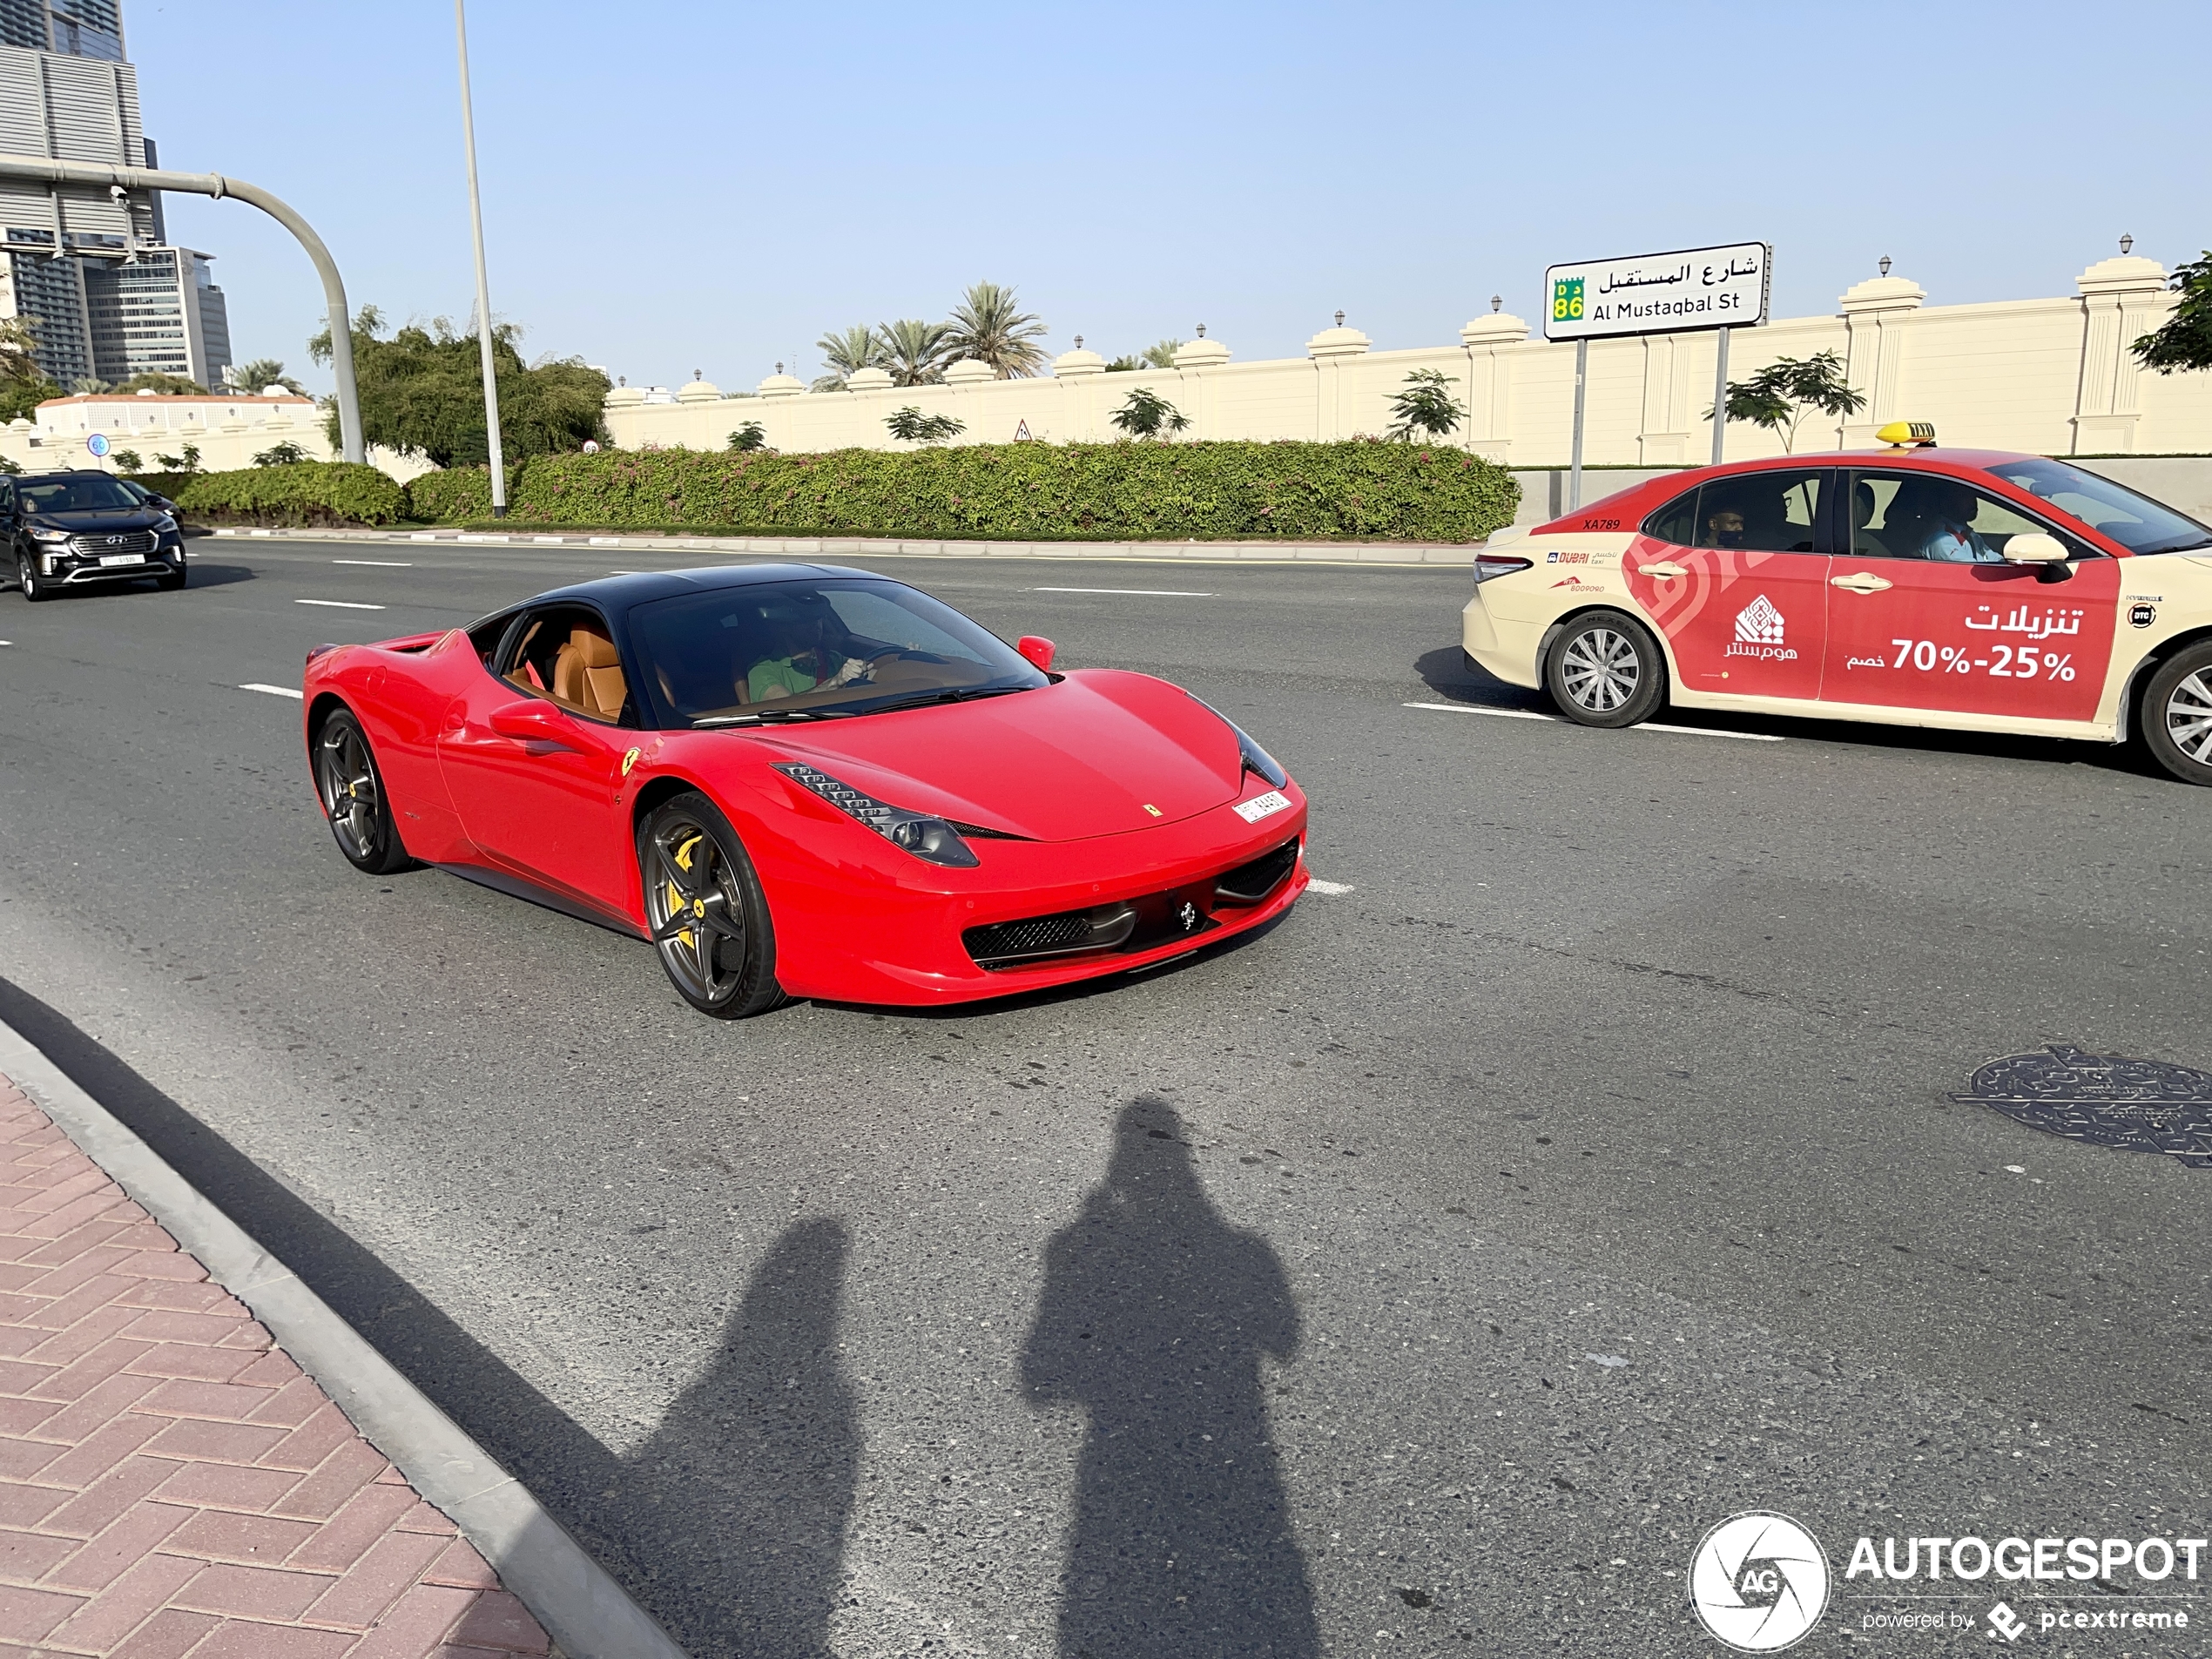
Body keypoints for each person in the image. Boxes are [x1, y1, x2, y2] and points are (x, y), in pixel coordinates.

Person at [745, 607, 871, 703]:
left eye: (818, 617)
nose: (815, 624)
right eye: (805, 619)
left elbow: (875, 674)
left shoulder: (833, 659)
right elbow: (782, 711)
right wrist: (834, 683)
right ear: (784, 627)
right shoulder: (762, 669)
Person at [1899, 478, 2005, 563]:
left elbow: (1994, 559)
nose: (1972, 502)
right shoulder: (1941, 539)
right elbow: (1969, 573)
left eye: (1972, 496)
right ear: (1946, 502)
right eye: (1963, 496)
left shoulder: (1967, 533)